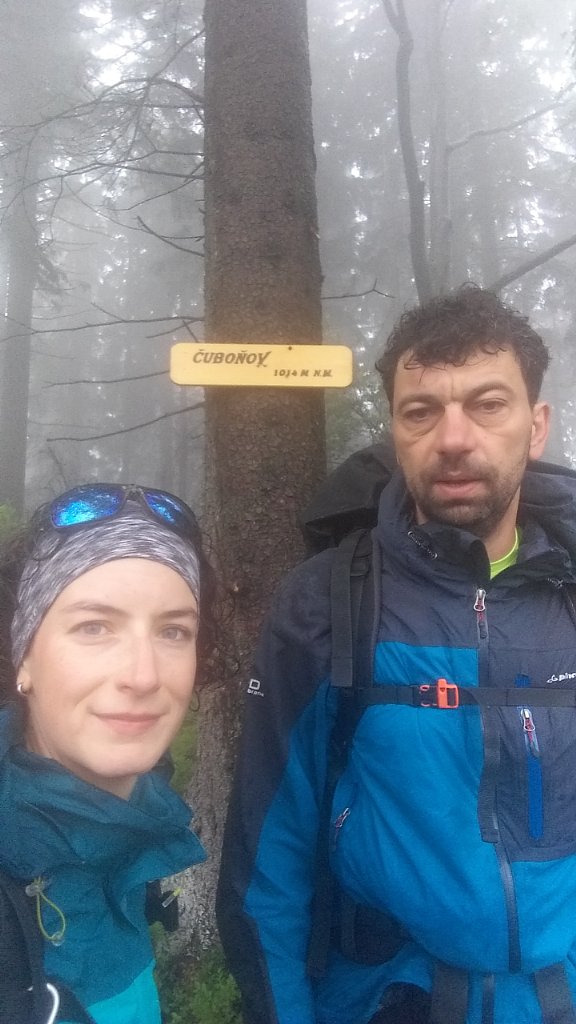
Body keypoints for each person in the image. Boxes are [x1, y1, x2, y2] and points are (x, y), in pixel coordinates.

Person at [217, 284, 576, 1024]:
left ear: (536, 425)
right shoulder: (328, 601)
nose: (453, 438)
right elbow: (269, 864)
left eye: (488, 404)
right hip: (388, 998)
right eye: (421, 411)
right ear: (395, 430)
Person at [0, 483, 216, 1024]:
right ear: (23, 657)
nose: (143, 675)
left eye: (173, 631)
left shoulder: (131, 829)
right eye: (94, 627)